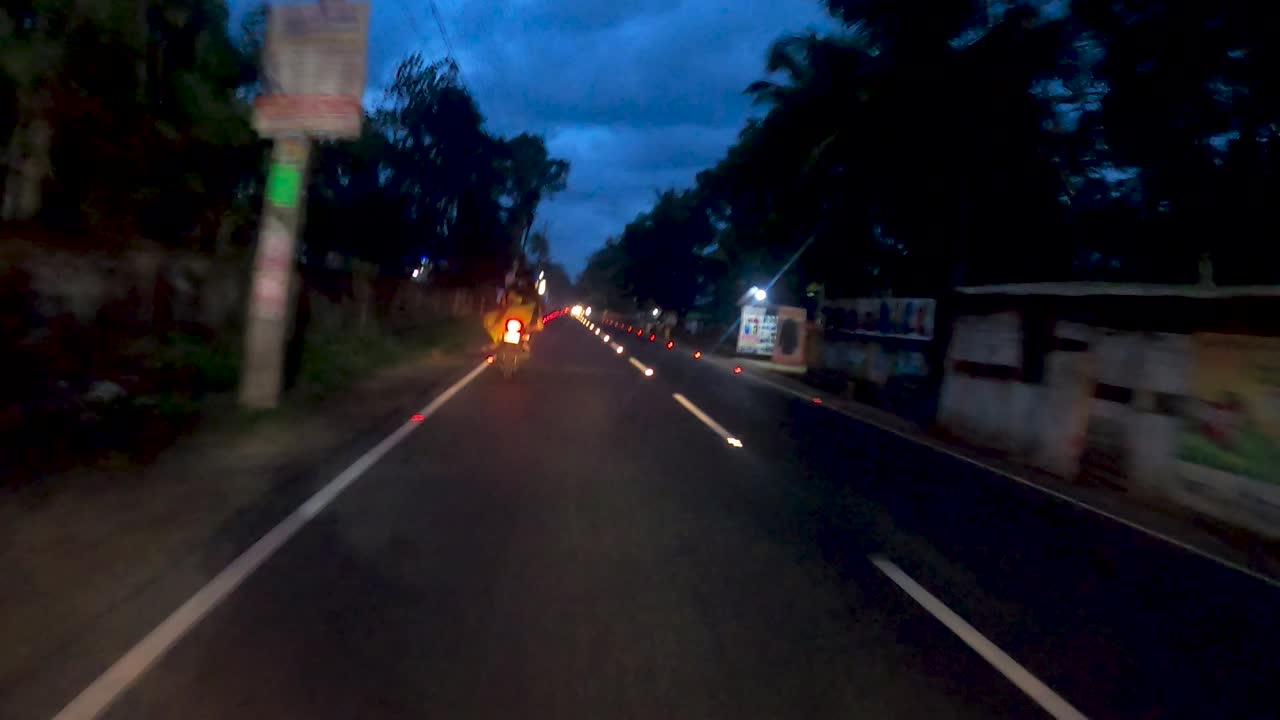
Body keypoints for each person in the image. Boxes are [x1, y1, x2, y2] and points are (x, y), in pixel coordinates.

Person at [484, 268, 540, 349]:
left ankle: (495, 341)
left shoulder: (514, 288)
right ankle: (524, 343)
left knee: (490, 320)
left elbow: (503, 303)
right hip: (520, 318)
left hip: (510, 315)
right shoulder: (534, 294)